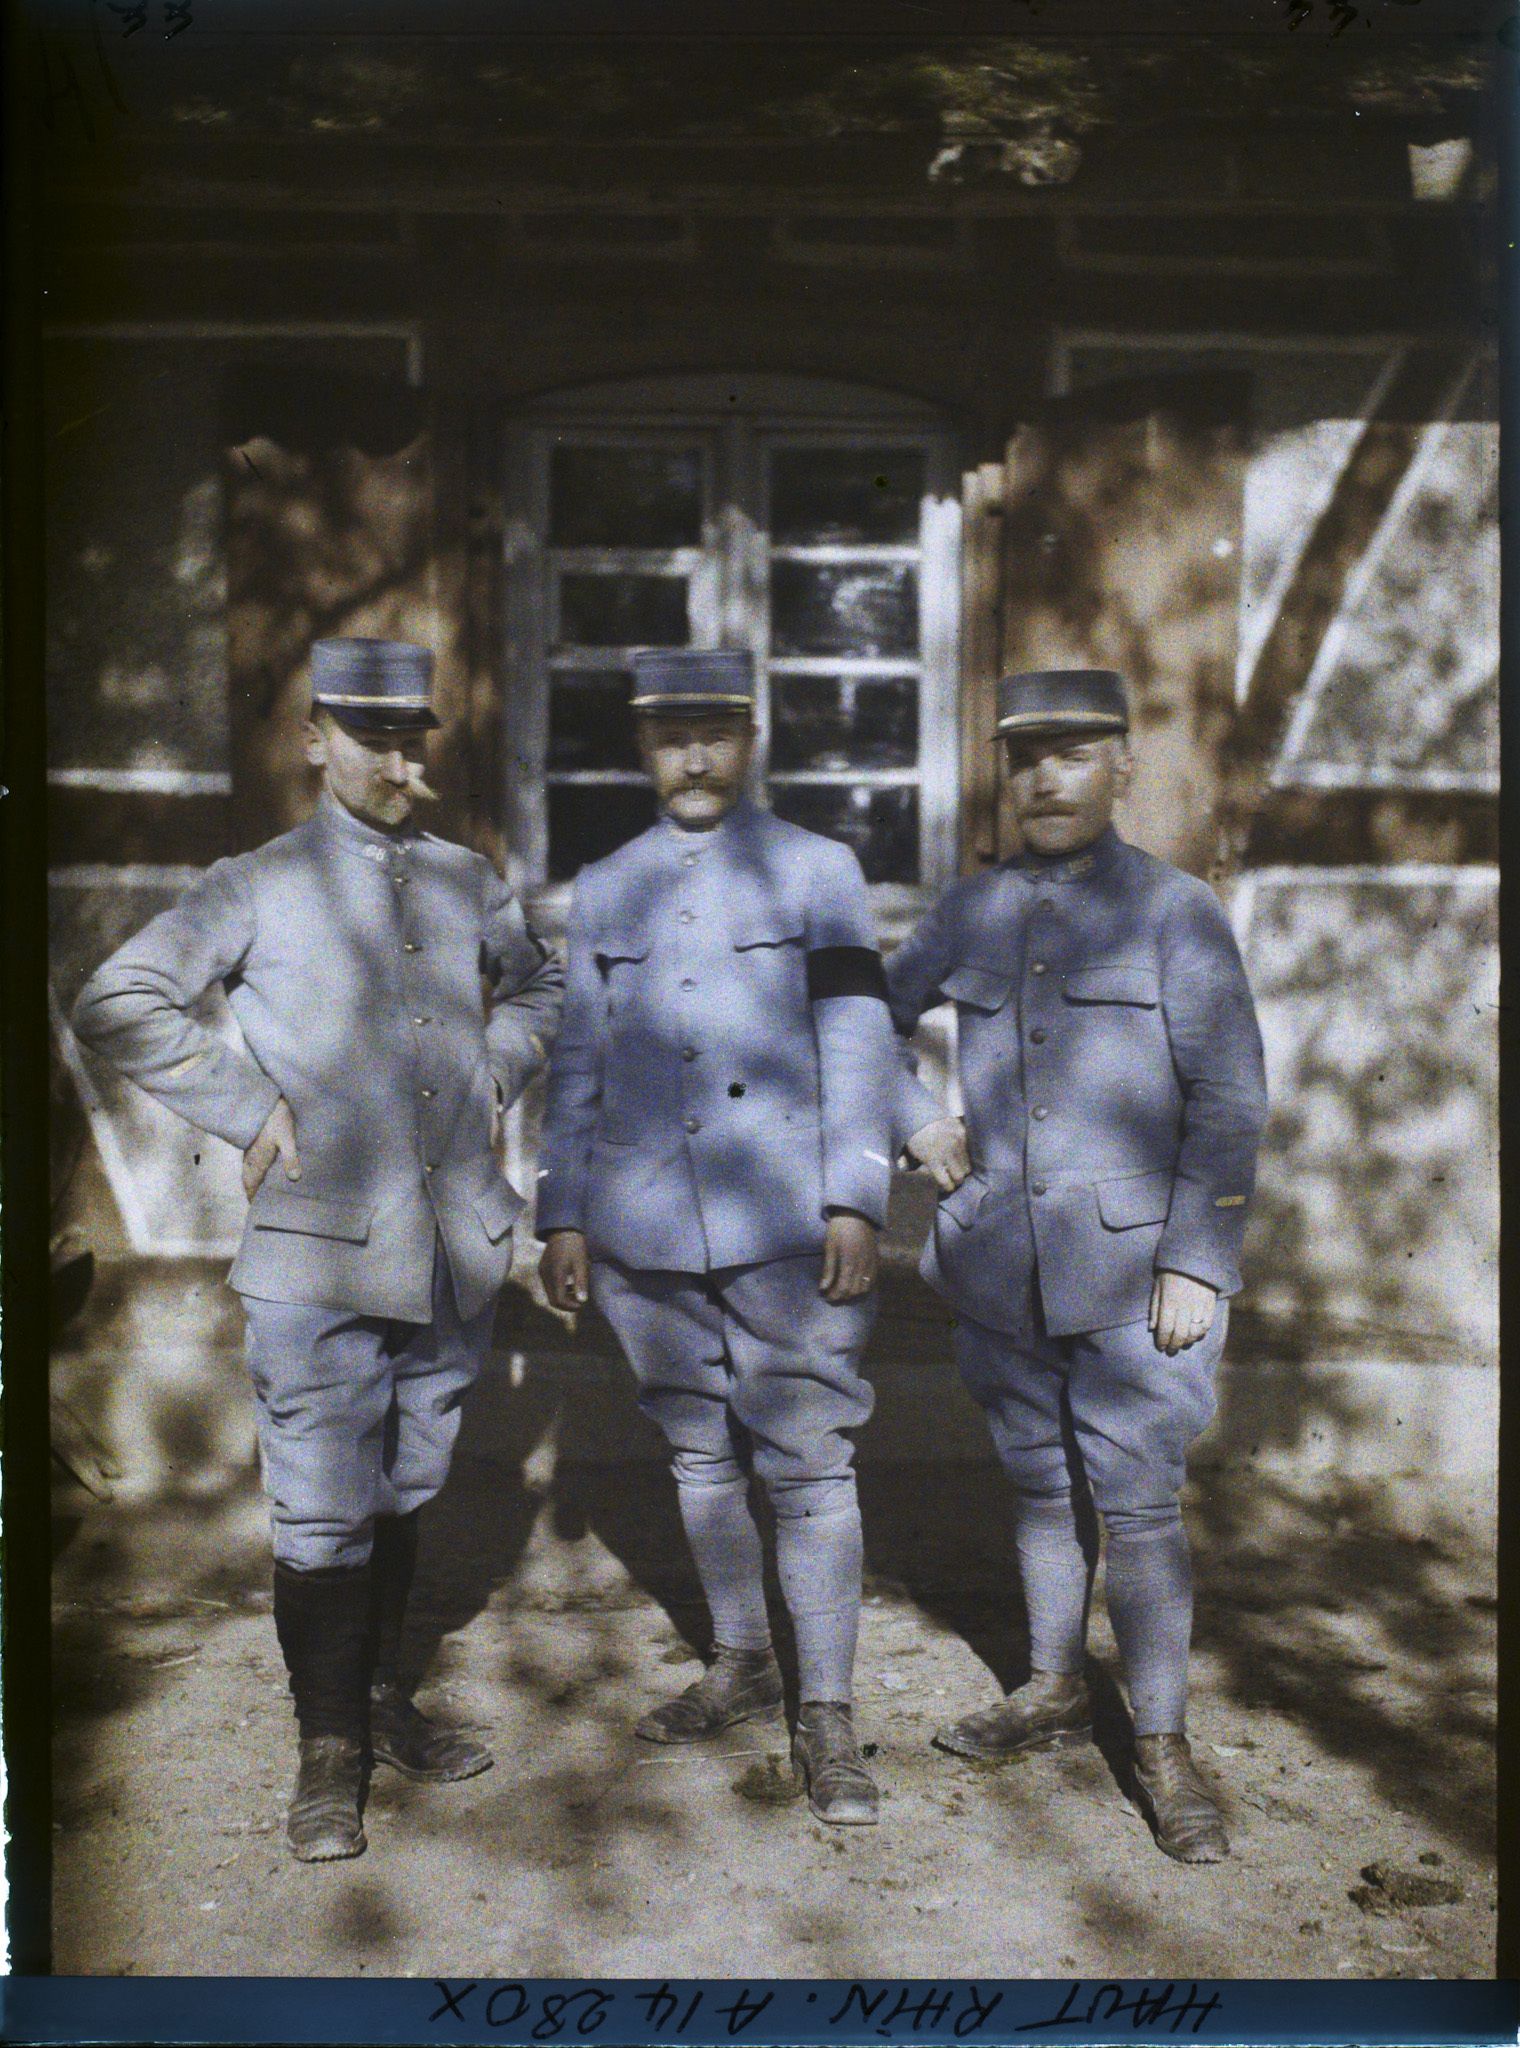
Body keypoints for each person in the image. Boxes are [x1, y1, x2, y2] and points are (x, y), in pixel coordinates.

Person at [72, 637, 563, 1863]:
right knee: (321, 1508)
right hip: (315, 1253)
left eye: (412, 743)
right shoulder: (255, 883)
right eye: (370, 740)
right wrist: (248, 1107)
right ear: (314, 741)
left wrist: (495, 1069)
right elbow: (117, 998)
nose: (397, 765)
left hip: (449, 1246)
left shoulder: (465, 878)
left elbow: (540, 989)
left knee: (404, 1482)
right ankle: (327, 1749)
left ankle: (383, 1700)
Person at [887, 668, 1269, 1863]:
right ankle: (1052, 1684)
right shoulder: (970, 908)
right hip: (999, 1260)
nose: (1044, 778)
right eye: (1024, 758)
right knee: (1038, 1484)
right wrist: (916, 1120)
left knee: (1138, 1503)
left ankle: (1160, 1743)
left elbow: (1228, 1097)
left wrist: (1196, 1259)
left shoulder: (1173, 911)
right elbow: (859, 1021)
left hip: (1135, 1274)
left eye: (1072, 754)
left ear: (1123, 766)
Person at [537, 648, 898, 1826]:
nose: (692, 757)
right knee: (695, 1453)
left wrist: (854, 1195)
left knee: (808, 1460)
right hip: (642, 1224)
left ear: (751, 740)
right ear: (640, 746)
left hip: (784, 1220)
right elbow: (577, 1057)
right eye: (668, 736)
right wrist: (562, 1211)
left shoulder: (817, 869)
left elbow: (857, 1038)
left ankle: (826, 1711)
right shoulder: (606, 885)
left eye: (715, 733)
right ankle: (743, 1659)